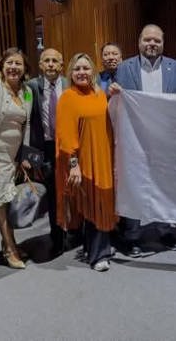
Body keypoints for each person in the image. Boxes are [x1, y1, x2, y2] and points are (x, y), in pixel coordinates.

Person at [109, 24, 176, 257]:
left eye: (156, 40)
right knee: (133, 185)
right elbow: (117, 102)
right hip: (135, 141)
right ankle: (132, 235)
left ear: (163, 43)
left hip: (166, 141)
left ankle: (164, 230)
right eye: (147, 40)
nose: (151, 44)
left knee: (165, 187)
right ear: (139, 42)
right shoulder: (124, 69)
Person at [56, 53, 116, 271]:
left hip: (104, 159)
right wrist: (74, 164)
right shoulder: (68, 98)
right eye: (77, 69)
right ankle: (99, 255)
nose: (82, 72)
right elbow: (66, 134)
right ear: (70, 73)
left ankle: (96, 248)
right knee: (93, 205)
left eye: (86, 68)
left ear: (93, 72)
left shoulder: (100, 94)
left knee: (103, 202)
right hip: (84, 161)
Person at [0, 48, 33, 269]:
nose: (13, 67)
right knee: (0, 202)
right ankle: (10, 250)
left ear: (24, 69)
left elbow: (26, 124)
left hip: (13, 157)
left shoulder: (26, 91)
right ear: (1, 66)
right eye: (9, 63)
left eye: (18, 64)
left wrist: (24, 155)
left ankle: (8, 243)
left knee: (8, 201)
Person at [28, 47, 67, 257]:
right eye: (47, 61)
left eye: (55, 61)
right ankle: (57, 238)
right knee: (53, 196)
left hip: (69, 147)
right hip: (47, 147)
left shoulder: (70, 84)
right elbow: (25, 123)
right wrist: (29, 157)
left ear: (62, 65)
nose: (51, 64)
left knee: (75, 192)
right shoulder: (31, 87)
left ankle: (78, 233)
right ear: (41, 65)